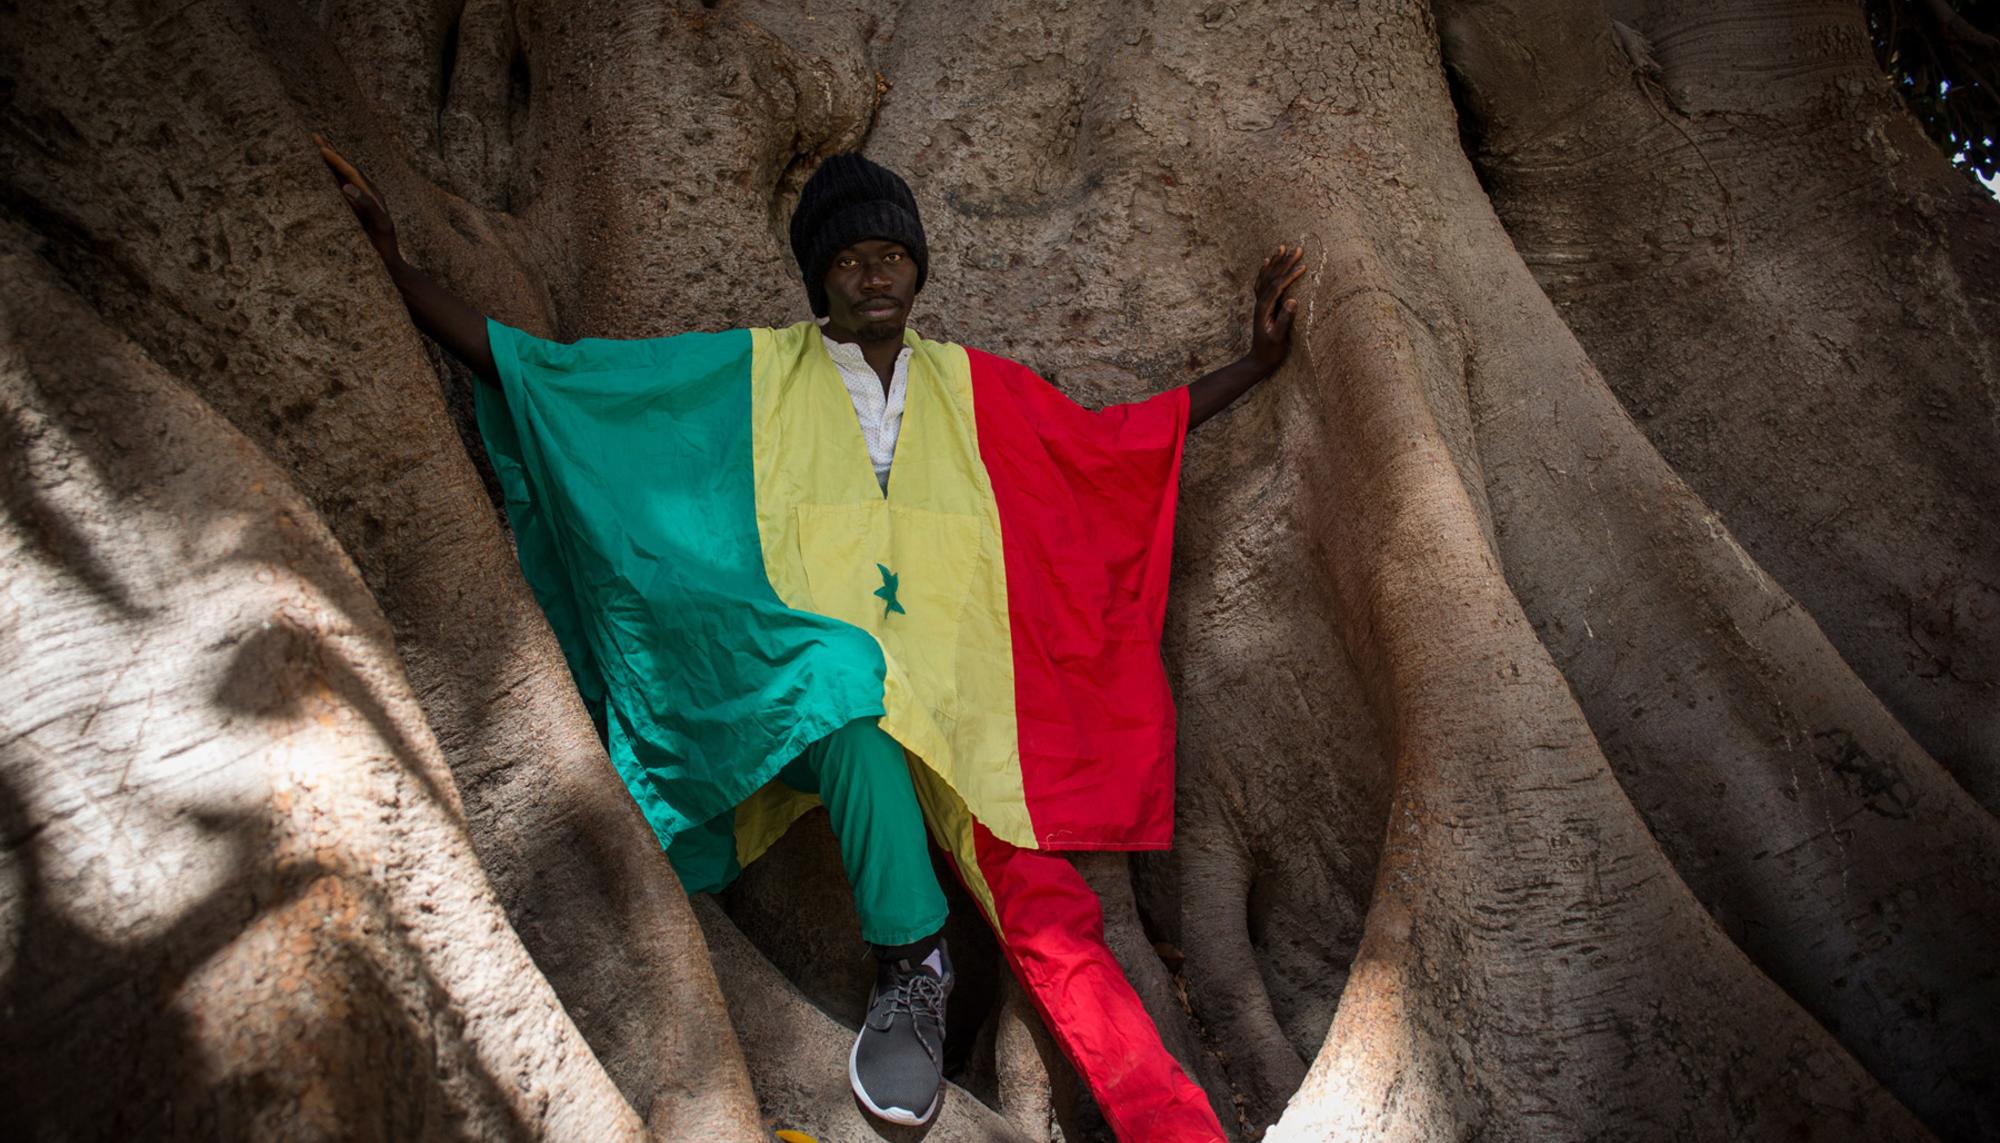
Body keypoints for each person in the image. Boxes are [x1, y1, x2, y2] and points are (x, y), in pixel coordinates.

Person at [318, 136, 1303, 1139]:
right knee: (843, 685)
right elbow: (562, 382)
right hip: (806, 709)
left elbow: (1114, 444)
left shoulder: (978, 389)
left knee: (1056, 924)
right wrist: (396, 270)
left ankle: (1176, 1125)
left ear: (918, 267)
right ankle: (911, 960)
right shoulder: (754, 373)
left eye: (891, 254)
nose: (873, 273)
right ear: (816, 278)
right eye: (846, 259)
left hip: (965, 718)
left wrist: (1254, 365)